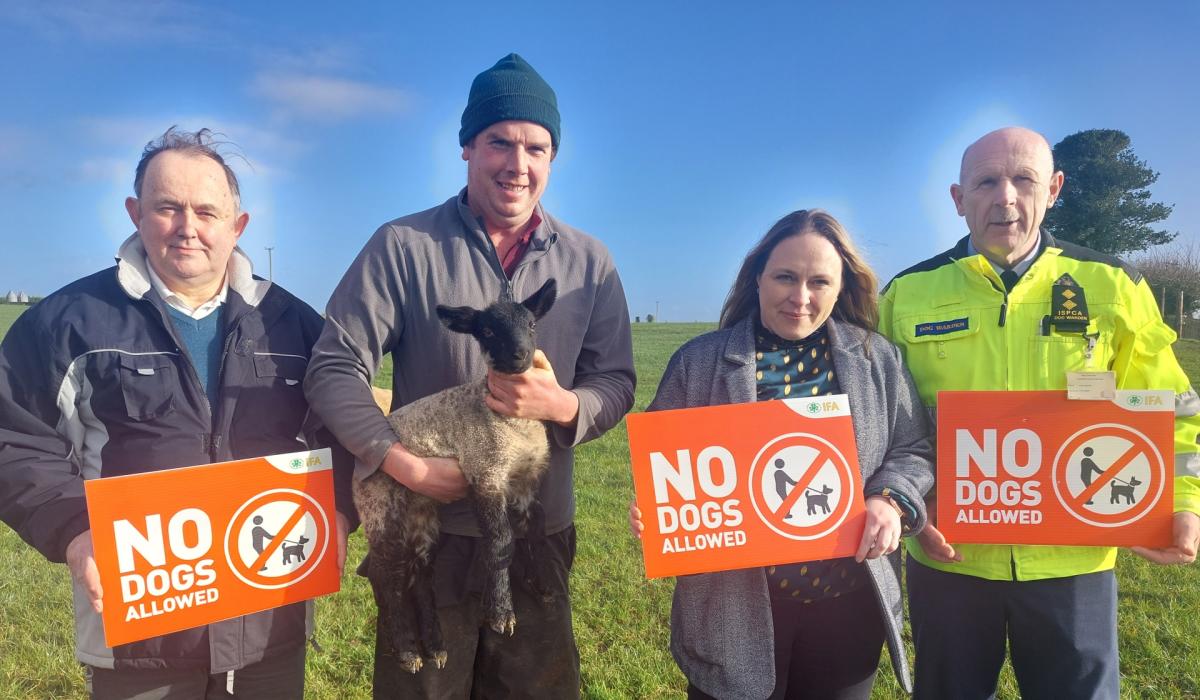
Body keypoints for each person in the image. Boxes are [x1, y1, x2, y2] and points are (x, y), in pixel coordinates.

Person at [303, 53, 635, 698]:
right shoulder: (403, 247)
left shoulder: (590, 263)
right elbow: (334, 365)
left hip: (537, 531)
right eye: (499, 142)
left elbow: (616, 380)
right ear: (467, 148)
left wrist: (565, 405)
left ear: (553, 157)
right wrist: (399, 462)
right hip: (431, 533)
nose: (518, 164)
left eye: (536, 147)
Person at [0, 127, 356, 698]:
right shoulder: (66, 324)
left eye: (207, 211)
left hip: (270, 619)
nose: (188, 227)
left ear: (237, 226)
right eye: (168, 207)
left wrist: (338, 507)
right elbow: (15, 438)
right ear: (135, 213)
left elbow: (344, 426)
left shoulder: (295, 325)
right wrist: (75, 529)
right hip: (142, 633)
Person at [878, 126, 1200, 699]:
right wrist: (910, 505)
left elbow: (1172, 405)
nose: (1005, 197)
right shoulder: (907, 293)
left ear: (1053, 189)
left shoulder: (1113, 284)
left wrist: (1182, 502)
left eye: (1023, 179)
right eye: (986, 182)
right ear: (958, 199)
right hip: (949, 555)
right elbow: (881, 423)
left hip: (1074, 557)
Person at [630, 209, 935, 699]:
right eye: (785, 277)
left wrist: (889, 498)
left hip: (847, 606)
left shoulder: (877, 358)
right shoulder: (697, 362)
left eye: (819, 281)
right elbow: (663, 467)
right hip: (735, 605)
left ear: (841, 286)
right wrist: (656, 506)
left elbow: (912, 448)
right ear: (757, 277)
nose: (801, 297)